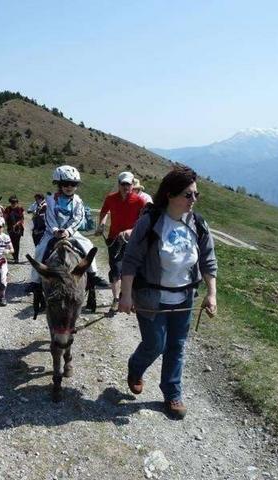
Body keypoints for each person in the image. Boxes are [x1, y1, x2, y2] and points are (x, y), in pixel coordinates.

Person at [119, 166, 218, 420]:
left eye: (196, 195)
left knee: (177, 346)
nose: (193, 200)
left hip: (184, 298)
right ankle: (136, 367)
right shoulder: (151, 222)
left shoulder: (198, 224)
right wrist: (126, 295)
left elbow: (208, 260)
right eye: (188, 195)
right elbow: (131, 260)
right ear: (171, 195)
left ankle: (172, 394)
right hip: (152, 298)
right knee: (156, 344)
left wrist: (211, 293)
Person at [30, 165, 99, 311]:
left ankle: (93, 276)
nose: (69, 187)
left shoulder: (78, 201)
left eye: (73, 184)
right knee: (40, 250)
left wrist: (68, 231)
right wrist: (55, 230)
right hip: (52, 232)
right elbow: (49, 218)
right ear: (59, 185)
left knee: (88, 246)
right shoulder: (51, 200)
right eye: (65, 184)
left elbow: (78, 218)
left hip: (71, 232)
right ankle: (35, 283)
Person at [96, 171, 147, 311]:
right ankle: (116, 299)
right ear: (119, 184)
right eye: (123, 184)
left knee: (130, 269)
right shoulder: (111, 198)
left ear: (132, 185)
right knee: (115, 269)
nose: (125, 187)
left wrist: (131, 231)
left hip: (133, 240)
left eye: (128, 184)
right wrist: (101, 225)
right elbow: (104, 211)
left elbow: (145, 221)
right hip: (114, 239)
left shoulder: (139, 201)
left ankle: (127, 296)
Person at [3, 195, 24, 263]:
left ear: (17, 202)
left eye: (14, 202)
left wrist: (16, 224)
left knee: (16, 243)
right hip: (10, 228)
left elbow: (22, 219)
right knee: (11, 243)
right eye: (12, 202)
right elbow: (5, 218)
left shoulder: (20, 209)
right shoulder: (8, 209)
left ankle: (16, 258)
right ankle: (14, 256)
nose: (13, 204)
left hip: (18, 229)